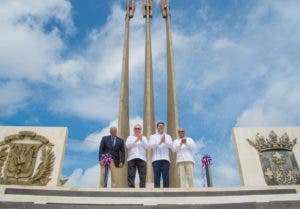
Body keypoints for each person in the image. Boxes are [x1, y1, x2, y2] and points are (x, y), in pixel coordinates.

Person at [149, 122, 172, 188]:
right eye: (159, 126)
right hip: (156, 159)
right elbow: (151, 145)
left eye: (162, 126)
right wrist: (159, 142)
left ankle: (166, 192)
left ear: (164, 128)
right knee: (156, 177)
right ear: (157, 128)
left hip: (166, 159)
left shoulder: (168, 136)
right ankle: (157, 193)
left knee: (166, 177)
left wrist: (164, 141)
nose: (161, 127)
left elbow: (171, 145)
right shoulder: (153, 136)